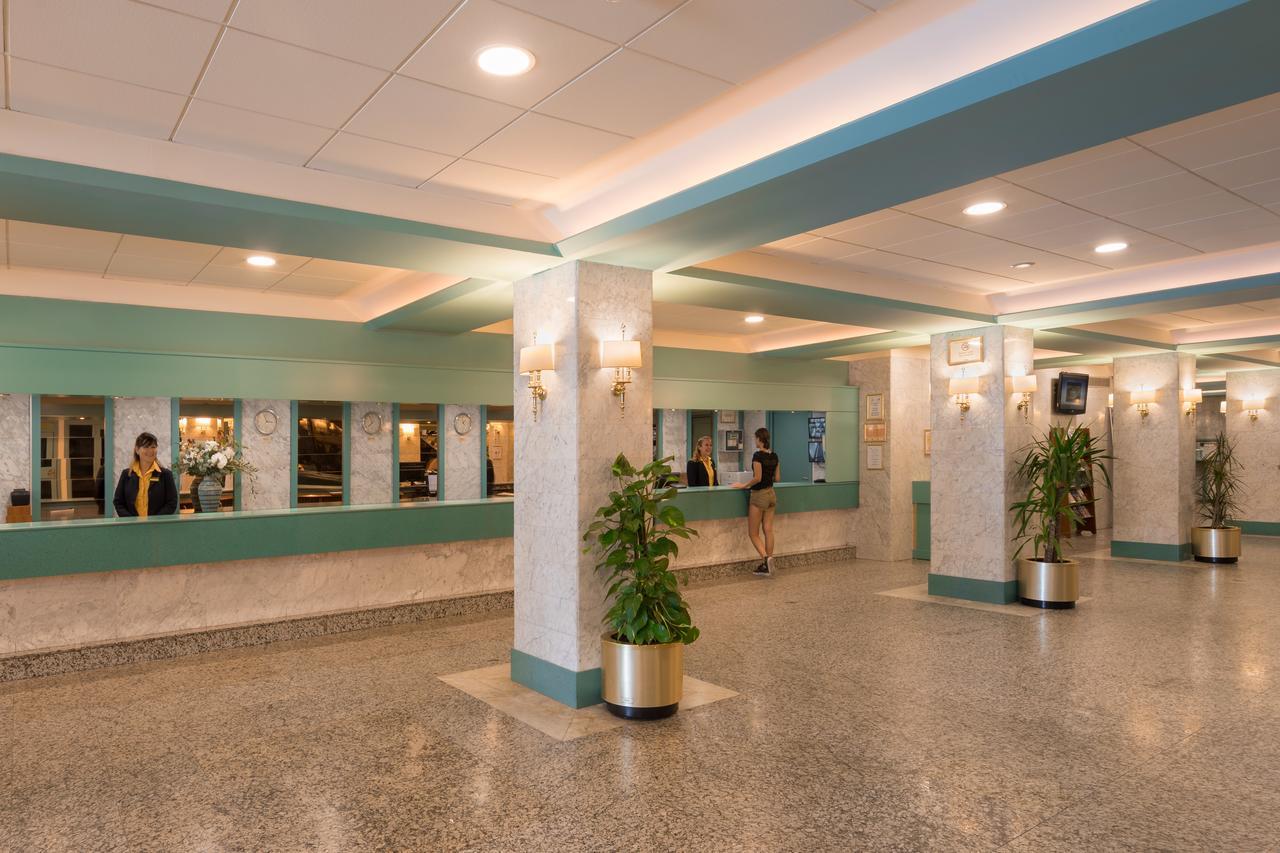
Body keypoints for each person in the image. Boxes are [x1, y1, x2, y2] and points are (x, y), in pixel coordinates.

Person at [734, 427, 780, 576]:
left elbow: (757, 478)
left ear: (759, 439)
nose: (755, 441)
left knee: (753, 533)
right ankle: (768, 563)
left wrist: (743, 485)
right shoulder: (774, 456)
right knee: (768, 530)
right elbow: (777, 478)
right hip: (771, 494)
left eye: (755, 438)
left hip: (759, 495)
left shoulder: (757, 456)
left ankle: (766, 559)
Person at [113, 432, 178, 518]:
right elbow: (118, 502)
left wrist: (154, 521)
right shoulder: (126, 474)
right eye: (146, 447)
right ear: (137, 450)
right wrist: (131, 521)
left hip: (157, 525)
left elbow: (171, 503)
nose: (150, 451)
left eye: (153, 447)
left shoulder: (166, 475)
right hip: (132, 525)